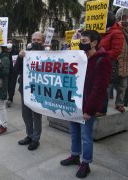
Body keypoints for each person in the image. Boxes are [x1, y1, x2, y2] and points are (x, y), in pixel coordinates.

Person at [60, 30, 112, 179]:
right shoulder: (80, 57)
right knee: (74, 132)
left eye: (83, 41)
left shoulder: (103, 60)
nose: (81, 43)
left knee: (86, 136)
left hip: (88, 106)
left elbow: (100, 88)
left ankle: (86, 163)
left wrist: (89, 110)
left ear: (94, 43)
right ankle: (75, 156)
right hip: (75, 103)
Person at [16, 31, 43, 151]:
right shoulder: (25, 54)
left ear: (42, 42)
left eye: (38, 40)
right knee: (26, 114)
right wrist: (19, 57)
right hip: (25, 88)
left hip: (38, 90)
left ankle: (35, 139)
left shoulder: (47, 54)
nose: (36, 42)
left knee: (36, 115)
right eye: (34, 40)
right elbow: (16, 70)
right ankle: (30, 135)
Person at [98, 11, 124, 115]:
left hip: (108, 63)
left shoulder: (117, 32)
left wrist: (100, 56)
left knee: (105, 86)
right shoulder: (99, 31)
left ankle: (102, 109)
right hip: (98, 62)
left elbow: (116, 51)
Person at [114, 8, 128, 112]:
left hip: (126, 62)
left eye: (126, 17)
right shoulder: (114, 28)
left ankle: (120, 103)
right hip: (115, 60)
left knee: (123, 85)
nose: (125, 19)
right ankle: (101, 106)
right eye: (123, 17)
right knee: (108, 85)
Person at [6, 39, 19, 108]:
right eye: (8, 42)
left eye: (10, 42)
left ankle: (10, 99)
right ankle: (9, 96)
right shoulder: (4, 51)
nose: (9, 43)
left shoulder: (15, 51)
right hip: (6, 71)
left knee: (12, 85)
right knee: (8, 85)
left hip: (13, 72)